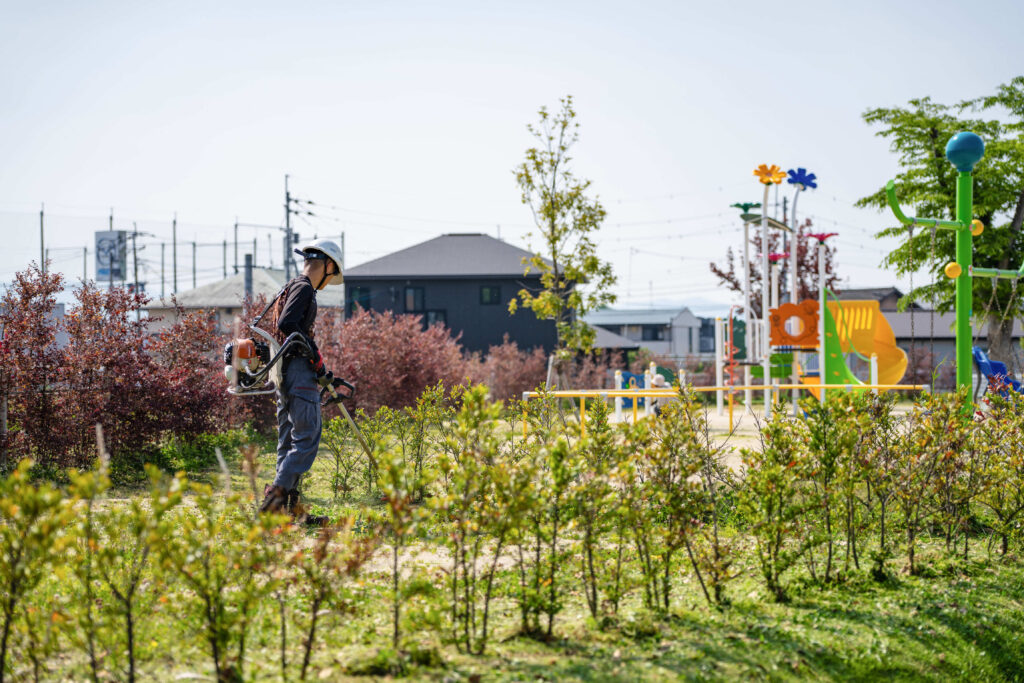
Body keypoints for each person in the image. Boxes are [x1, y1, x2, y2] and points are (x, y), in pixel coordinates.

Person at [259, 239, 344, 521]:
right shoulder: (305, 288)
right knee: (306, 438)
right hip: (297, 370)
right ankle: (272, 505)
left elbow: (291, 328)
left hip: (284, 370)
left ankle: (289, 512)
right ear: (328, 265)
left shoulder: (291, 285)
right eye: (333, 272)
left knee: (288, 441)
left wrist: (319, 365)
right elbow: (288, 324)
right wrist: (314, 355)